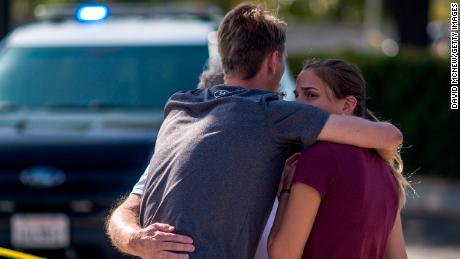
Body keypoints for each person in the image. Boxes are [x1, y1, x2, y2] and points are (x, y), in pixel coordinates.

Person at [105, 4, 403, 259]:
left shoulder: (180, 109)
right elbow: (390, 136)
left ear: (224, 57)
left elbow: (124, 212)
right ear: (274, 60)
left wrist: (137, 240)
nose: (298, 103)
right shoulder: (273, 113)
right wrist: (382, 164)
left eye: (308, 95)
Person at [268, 59, 409, 259]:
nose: (297, 106)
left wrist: (286, 190)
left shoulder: (317, 159)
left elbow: (283, 255)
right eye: (296, 96)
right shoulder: (387, 172)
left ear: (348, 105)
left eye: (310, 95)